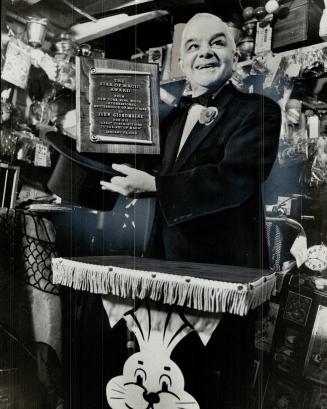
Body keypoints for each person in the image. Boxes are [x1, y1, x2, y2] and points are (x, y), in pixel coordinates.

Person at [101, 13, 281, 409]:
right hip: (167, 275)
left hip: (222, 280)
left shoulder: (260, 111)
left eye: (217, 43)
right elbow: (144, 173)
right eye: (193, 46)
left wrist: (154, 186)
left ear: (235, 54)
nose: (205, 53)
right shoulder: (173, 119)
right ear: (181, 62)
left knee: (215, 388)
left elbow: (234, 178)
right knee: (166, 387)